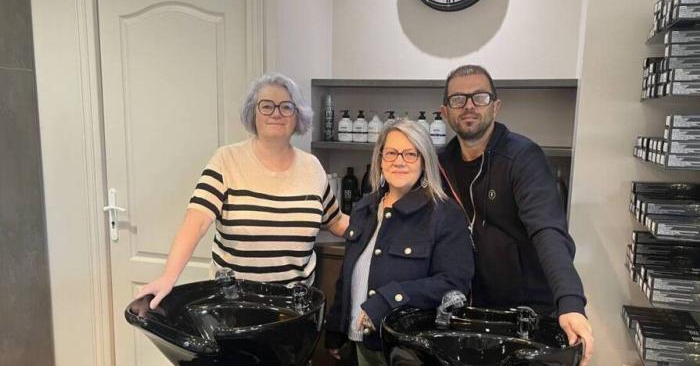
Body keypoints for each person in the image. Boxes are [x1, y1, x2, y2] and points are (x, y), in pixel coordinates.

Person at [136, 73, 349, 309]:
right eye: (266, 106)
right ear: (253, 113)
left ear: (297, 115)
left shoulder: (312, 167)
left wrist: (382, 223)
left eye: (286, 107)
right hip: (234, 305)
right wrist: (169, 276)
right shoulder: (226, 160)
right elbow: (196, 222)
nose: (276, 113)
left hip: (292, 307)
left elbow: (336, 220)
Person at [437, 64, 593, 364]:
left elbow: (547, 230)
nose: (469, 106)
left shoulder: (522, 157)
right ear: (445, 111)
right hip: (467, 310)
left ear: (496, 106)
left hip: (526, 313)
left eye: (479, 97)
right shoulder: (440, 163)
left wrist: (570, 302)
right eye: (458, 99)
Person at [325, 120, 474, 366]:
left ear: (424, 160)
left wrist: (389, 298)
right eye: (391, 153)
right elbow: (348, 275)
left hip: (405, 351)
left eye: (410, 154)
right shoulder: (365, 208)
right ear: (380, 159)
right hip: (356, 343)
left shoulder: (445, 214)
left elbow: (453, 283)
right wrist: (336, 328)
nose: (399, 161)